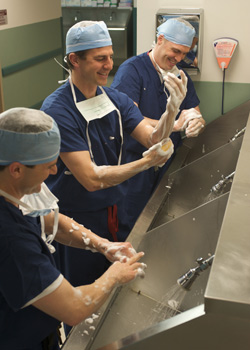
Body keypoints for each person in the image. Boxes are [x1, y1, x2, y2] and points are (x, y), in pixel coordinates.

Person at [40, 20, 187, 289]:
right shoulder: (58, 109)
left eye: (109, 56)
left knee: (113, 282)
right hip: (77, 218)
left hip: (114, 210)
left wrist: (171, 111)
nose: (109, 64)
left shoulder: (114, 98)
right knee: (83, 288)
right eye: (100, 59)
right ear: (75, 59)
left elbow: (152, 138)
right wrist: (145, 163)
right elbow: (91, 179)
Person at [0, 107, 147, 350]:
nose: (55, 171)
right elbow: (74, 308)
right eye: (48, 166)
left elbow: (48, 221)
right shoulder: (10, 238)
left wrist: (103, 245)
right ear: (16, 169)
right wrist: (115, 275)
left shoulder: (12, 190)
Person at [111, 18, 206, 231]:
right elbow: (129, 118)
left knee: (161, 219)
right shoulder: (132, 70)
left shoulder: (180, 75)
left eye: (184, 53)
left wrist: (195, 122)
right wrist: (173, 124)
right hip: (136, 161)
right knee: (131, 222)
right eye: (175, 51)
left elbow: (194, 112)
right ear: (160, 39)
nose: (179, 58)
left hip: (168, 160)